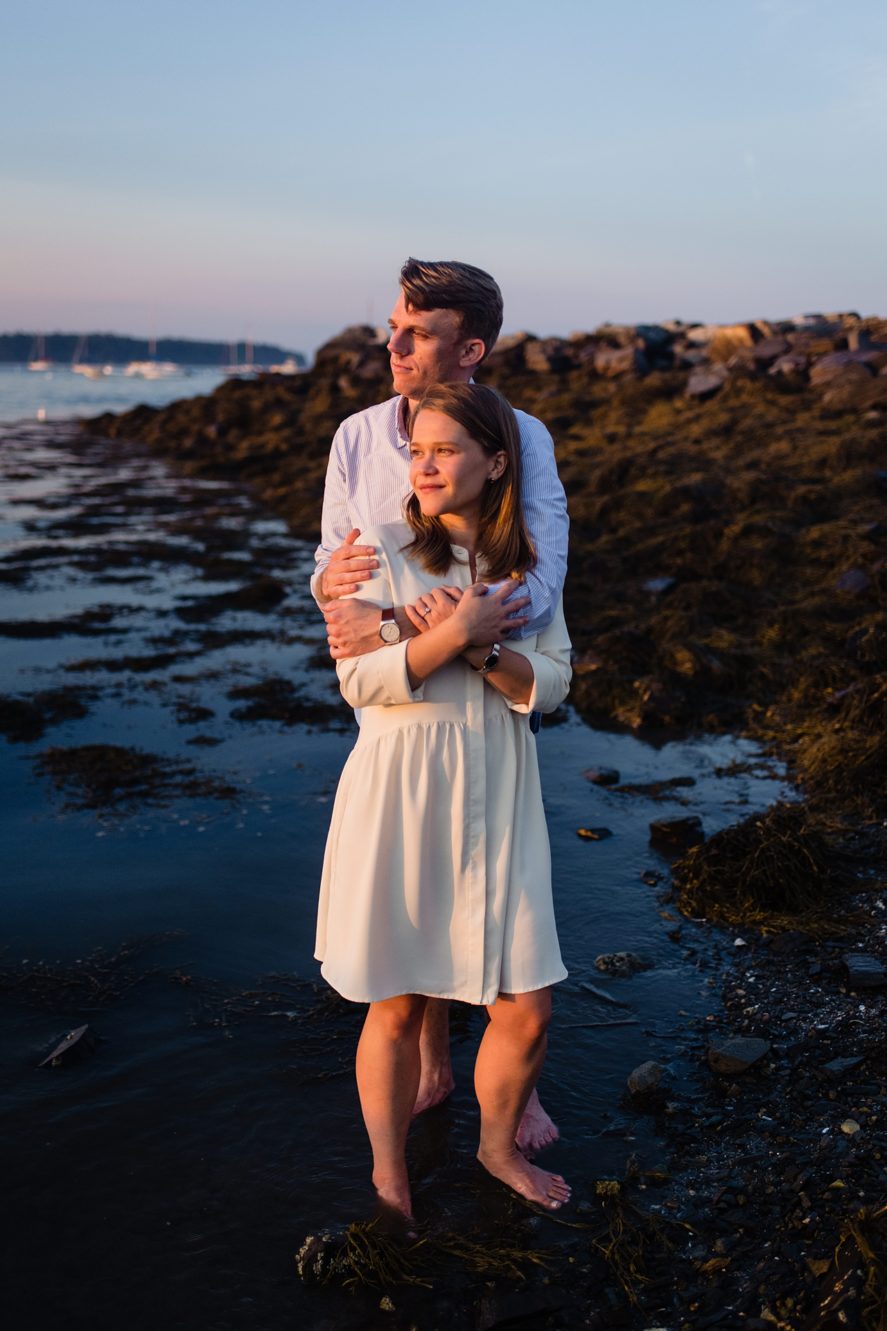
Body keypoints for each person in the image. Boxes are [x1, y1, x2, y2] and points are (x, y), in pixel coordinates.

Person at [312, 258, 569, 1153]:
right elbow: (334, 570)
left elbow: (541, 571)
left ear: (470, 350)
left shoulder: (522, 435)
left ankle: (515, 1096)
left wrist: (461, 622)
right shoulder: (355, 436)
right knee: (414, 917)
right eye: (393, 325)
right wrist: (370, 612)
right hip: (398, 704)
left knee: (490, 898)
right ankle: (430, 1065)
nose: (393, 343)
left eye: (416, 333)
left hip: (483, 697)